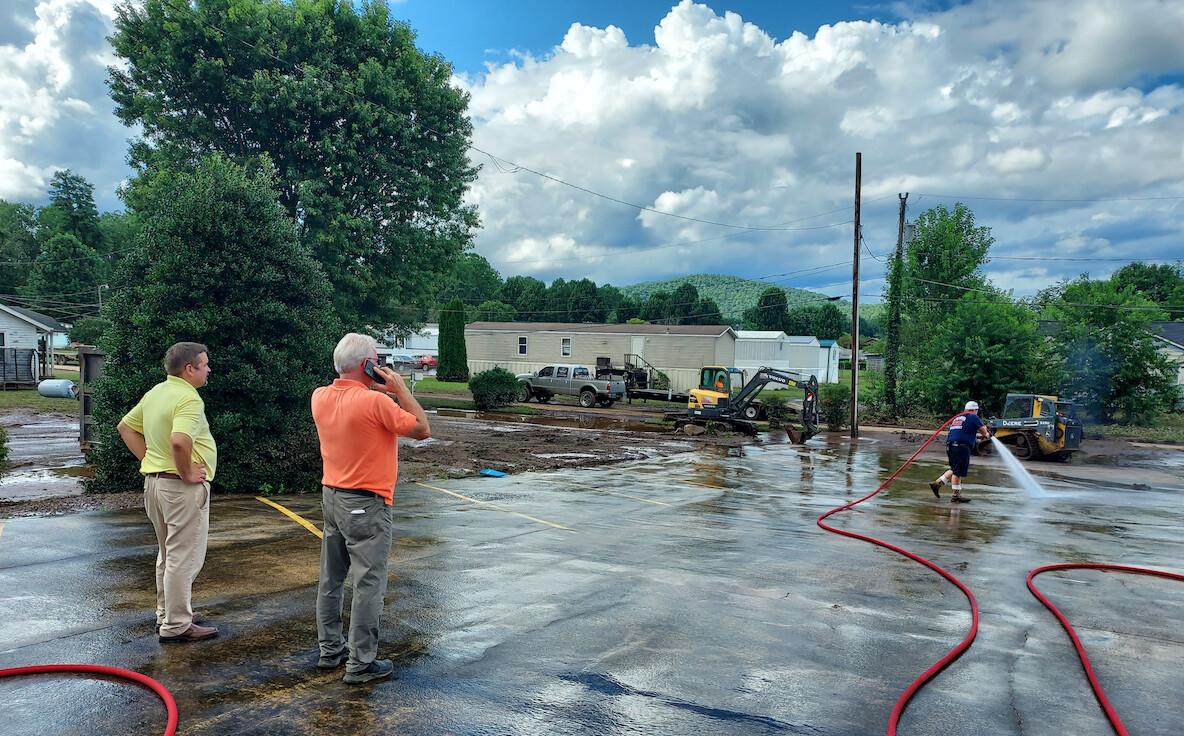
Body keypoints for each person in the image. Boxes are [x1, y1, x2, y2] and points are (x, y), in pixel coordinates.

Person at [312, 333, 431, 684]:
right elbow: (422, 429)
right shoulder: (376, 404)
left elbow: (357, 400)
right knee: (368, 584)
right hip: (366, 502)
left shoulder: (319, 396)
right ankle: (361, 663)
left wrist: (377, 388)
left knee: (331, 579)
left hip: (332, 496)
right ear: (367, 365)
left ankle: (330, 651)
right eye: (375, 361)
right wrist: (400, 390)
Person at [117, 342, 219, 642]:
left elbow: (126, 427)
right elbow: (179, 440)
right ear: (190, 369)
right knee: (182, 558)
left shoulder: (156, 393)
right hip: (180, 488)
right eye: (205, 364)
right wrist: (187, 471)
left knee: (168, 553)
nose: (209, 369)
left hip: (155, 484)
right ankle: (177, 625)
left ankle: (168, 612)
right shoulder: (189, 399)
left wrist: (150, 461)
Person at [929, 400, 991, 503]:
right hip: (961, 446)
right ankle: (955, 495)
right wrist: (989, 434)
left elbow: (963, 431)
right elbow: (984, 433)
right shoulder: (973, 416)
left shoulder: (958, 418)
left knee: (955, 468)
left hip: (951, 445)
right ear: (975, 410)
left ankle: (937, 484)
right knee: (958, 471)